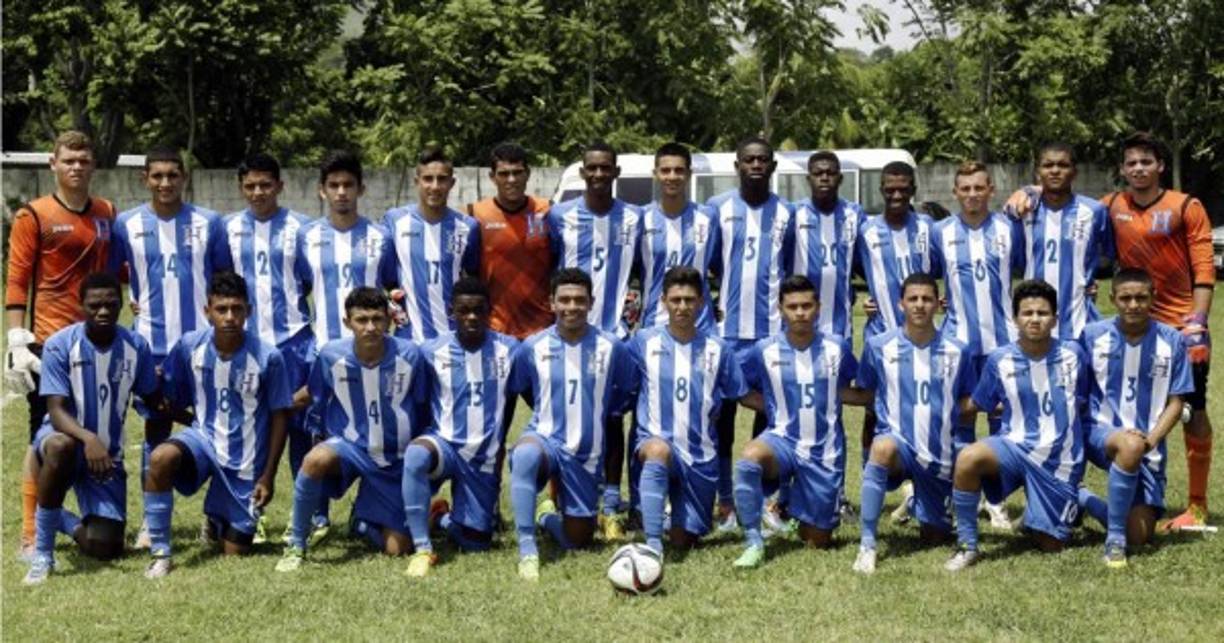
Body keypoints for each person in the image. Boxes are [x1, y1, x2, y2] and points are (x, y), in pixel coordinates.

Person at [1005, 132, 1215, 531]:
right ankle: (1069, 490)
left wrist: (1198, 322)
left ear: (1160, 166)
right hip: (1127, 322)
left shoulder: (1185, 205)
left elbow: (1204, 269)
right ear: (1122, 169)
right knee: (1104, 406)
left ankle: (1197, 506)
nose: (1138, 169)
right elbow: (1063, 202)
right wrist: (1029, 190)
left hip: (1178, 325)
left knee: (1192, 410)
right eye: (1131, 163)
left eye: (1146, 162)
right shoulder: (1110, 206)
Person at [5, 131, 117, 560]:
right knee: (44, 436)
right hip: (49, 345)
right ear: (53, 164)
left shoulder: (107, 211)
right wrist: (16, 340)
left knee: (95, 428)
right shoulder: (33, 215)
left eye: (83, 160)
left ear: (93, 165)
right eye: (68, 160)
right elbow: (18, 279)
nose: (76, 167)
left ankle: (81, 512)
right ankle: (31, 532)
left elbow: (117, 269)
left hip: (97, 343)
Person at [109, 145, 227, 548]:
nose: (164, 183)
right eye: (157, 176)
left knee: (216, 426)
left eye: (172, 175)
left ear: (184, 178)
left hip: (203, 345)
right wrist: (133, 299)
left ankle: (216, 515)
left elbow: (223, 280)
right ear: (144, 178)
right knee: (156, 427)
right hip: (151, 346)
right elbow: (112, 276)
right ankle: (152, 518)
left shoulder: (209, 222)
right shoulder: (126, 224)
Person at [142, 272, 291, 578]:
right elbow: (168, 393)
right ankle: (160, 553)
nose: (230, 317)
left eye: (237, 309)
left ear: (249, 311)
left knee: (233, 553)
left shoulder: (269, 357)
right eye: (221, 309)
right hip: (203, 442)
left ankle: (216, 517)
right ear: (207, 311)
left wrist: (269, 475)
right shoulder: (189, 346)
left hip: (245, 461)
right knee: (160, 458)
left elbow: (280, 416)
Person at [22, 273, 161, 584]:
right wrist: (88, 439)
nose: (103, 311)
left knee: (106, 547)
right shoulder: (60, 344)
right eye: (94, 305)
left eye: (111, 304)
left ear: (122, 304)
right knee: (60, 446)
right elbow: (55, 409)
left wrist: (188, 414)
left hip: (106, 457)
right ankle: (43, 555)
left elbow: (153, 398)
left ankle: (59, 517)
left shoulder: (136, 346)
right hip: (64, 441)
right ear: (80, 305)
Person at [946, 280, 1090, 571]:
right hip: (1014, 447)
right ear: (1015, 319)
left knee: (1050, 545)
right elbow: (980, 402)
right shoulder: (1000, 359)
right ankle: (967, 545)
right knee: (968, 458)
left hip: (1057, 461)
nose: (1035, 319)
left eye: (1042, 313)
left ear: (1055, 319)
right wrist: (940, 409)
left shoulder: (1074, 354)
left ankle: (1081, 499)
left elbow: (1083, 402)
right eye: (1027, 313)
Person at [276, 287, 422, 572]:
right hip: (350, 446)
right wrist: (278, 406)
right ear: (347, 322)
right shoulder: (331, 355)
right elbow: (313, 392)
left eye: (377, 319)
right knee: (314, 460)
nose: (370, 327)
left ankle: (362, 521)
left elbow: (423, 403)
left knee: (397, 549)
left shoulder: (410, 355)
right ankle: (296, 544)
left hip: (394, 457)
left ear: (388, 320)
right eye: (361, 320)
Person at [506, 268, 633, 581]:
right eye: (564, 300)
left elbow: (626, 391)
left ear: (591, 303)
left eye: (579, 300)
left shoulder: (612, 347)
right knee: (525, 454)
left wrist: (598, 412)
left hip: (586, 454)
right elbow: (523, 387)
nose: (571, 306)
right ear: (552, 303)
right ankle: (527, 549)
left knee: (578, 540)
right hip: (546, 438)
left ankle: (546, 516)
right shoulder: (532, 346)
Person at [731, 275, 865, 568]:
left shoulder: (837, 347)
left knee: (817, 541)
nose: (800, 312)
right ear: (781, 309)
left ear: (818, 308)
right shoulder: (764, 350)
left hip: (824, 451)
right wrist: (773, 407)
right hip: (782, 440)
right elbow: (743, 392)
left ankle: (792, 508)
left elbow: (848, 387)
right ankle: (753, 542)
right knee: (749, 460)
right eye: (793, 307)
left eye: (806, 305)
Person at [219, 153, 316, 543]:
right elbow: (220, 281)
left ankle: (310, 515)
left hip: (294, 340)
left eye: (265, 185)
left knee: (301, 427)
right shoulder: (227, 229)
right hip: (249, 345)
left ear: (280, 185)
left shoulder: (302, 228)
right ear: (241, 188)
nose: (258, 192)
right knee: (252, 430)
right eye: (250, 186)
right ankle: (252, 511)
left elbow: (310, 280)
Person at [546, 142, 641, 539]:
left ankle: (612, 504)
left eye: (606, 168)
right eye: (592, 168)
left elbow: (641, 267)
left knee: (614, 418)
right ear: (583, 172)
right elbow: (551, 267)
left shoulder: (634, 218)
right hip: (570, 334)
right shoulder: (559, 217)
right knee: (564, 417)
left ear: (616, 173)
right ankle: (557, 497)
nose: (599, 174)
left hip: (613, 335)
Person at [850, 273, 975, 574]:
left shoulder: (959, 350)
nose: (919, 305)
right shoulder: (878, 346)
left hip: (938, 454)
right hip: (898, 447)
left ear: (939, 305)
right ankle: (867, 544)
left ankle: (918, 502)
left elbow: (967, 401)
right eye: (913, 299)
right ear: (901, 304)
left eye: (927, 299)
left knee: (934, 536)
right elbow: (866, 392)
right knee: (882, 447)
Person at [626, 266, 749, 555]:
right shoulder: (642, 342)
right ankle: (652, 546)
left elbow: (742, 395)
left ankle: (672, 517)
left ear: (701, 302)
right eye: (676, 300)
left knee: (685, 540)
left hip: (700, 457)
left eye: (689, 300)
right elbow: (623, 388)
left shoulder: (719, 349)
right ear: (663, 301)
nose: (682, 307)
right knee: (657, 449)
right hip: (656, 446)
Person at [930, 161, 1026, 529]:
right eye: (965, 188)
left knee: (1002, 423)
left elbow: (1026, 267)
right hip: (959, 343)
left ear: (991, 190)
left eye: (978, 187)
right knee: (962, 420)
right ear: (955, 192)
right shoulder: (940, 232)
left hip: (1003, 342)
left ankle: (996, 500)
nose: (972, 194)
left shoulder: (1009, 228)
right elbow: (930, 277)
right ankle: (963, 497)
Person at [401, 277, 519, 577]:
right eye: (464, 310)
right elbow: (420, 402)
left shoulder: (510, 349)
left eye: (479, 310)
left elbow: (513, 398)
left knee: (476, 543)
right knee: (416, 454)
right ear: (451, 311)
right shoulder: (430, 351)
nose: (472, 317)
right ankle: (422, 548)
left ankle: (441, 517)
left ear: (490, 311)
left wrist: (499, 442)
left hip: (481, 456)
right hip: (444, 445)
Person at [1078, 268, 1193, 566]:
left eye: (1141, 298)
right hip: (1099, 434)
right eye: (1125, 298)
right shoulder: (1092, 336)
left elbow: (1176, 402)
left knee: (1139, 535)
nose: (1133, 305)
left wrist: (1151, 441)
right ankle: (1114, 541)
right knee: (1129, 445)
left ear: (1153, 297)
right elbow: (1077, 393)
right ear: (1112, 299)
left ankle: (1082, 498)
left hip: (1147, 446)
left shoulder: (1173, 340)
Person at [710, 136, 795, 531]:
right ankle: (726, 502)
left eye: (763, 160)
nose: (756, 165)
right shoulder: (718, 209)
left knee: (771, 418)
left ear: (773, 166)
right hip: (727, 335)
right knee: (721, 421)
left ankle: (761, 500)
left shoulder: (787, 213)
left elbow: (790, 265)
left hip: (771, 335)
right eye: (749, 160)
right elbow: (710, 262)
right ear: (737, 166)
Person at [855, 162, 938, 479]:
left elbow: (944, 268)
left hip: (922, 337)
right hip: (881, 334)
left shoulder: (928, 227)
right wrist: (869, 297)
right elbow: (850, 266)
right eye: (890, 189)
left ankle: (919, 479)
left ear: (913, 189)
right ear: (881, 190)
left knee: (922, 408)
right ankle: (870, 476)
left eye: (903, 188)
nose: (897, 194)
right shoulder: (866, 231)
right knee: (872, 409)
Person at [1019, 143, 1113, 340]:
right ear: (1038, 172)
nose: (1055, 170)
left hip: (1079, 321)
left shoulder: (1094, 211)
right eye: (1048, 165)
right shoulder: (1024, 211)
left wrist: (1089, 278)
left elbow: (1108, 257)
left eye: (1062, 165)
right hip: (1033, 321)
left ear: (1074, 172)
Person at [384, 147, 478, 342]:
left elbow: (473, 277)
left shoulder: (468, 227)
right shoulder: (394, 220)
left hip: (453, 339)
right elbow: (385, 275)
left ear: (452, 183)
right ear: (416, 181)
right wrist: (391, 295)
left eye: (442, 179)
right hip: (409, 339)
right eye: (428, 179)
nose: (435, 186)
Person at [466, 142, 554, 341]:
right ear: (492, 177)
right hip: (494, 328)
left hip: (543, 327)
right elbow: (469, 270)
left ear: (528, 174)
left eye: (517, 172)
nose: (511, 180)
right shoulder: (475, 215)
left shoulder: (547, 211)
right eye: (504, 174)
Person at [636, 143, 720, 331]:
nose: (672, 176)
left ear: (689, 174)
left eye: (679, 170)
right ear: (655, 174)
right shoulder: (641, 218)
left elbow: (719, 265)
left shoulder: (708, 217)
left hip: (701, 326)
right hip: (654, 324)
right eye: (665, 170)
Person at [790, 150, 865, 341]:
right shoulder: (794, 213)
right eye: (818, 173)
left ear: (840, 178)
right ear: (809, 179)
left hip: (839, 322)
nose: (824, 178)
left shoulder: (854, 214)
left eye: (830, 173)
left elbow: (865, 262)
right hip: (800, 317)